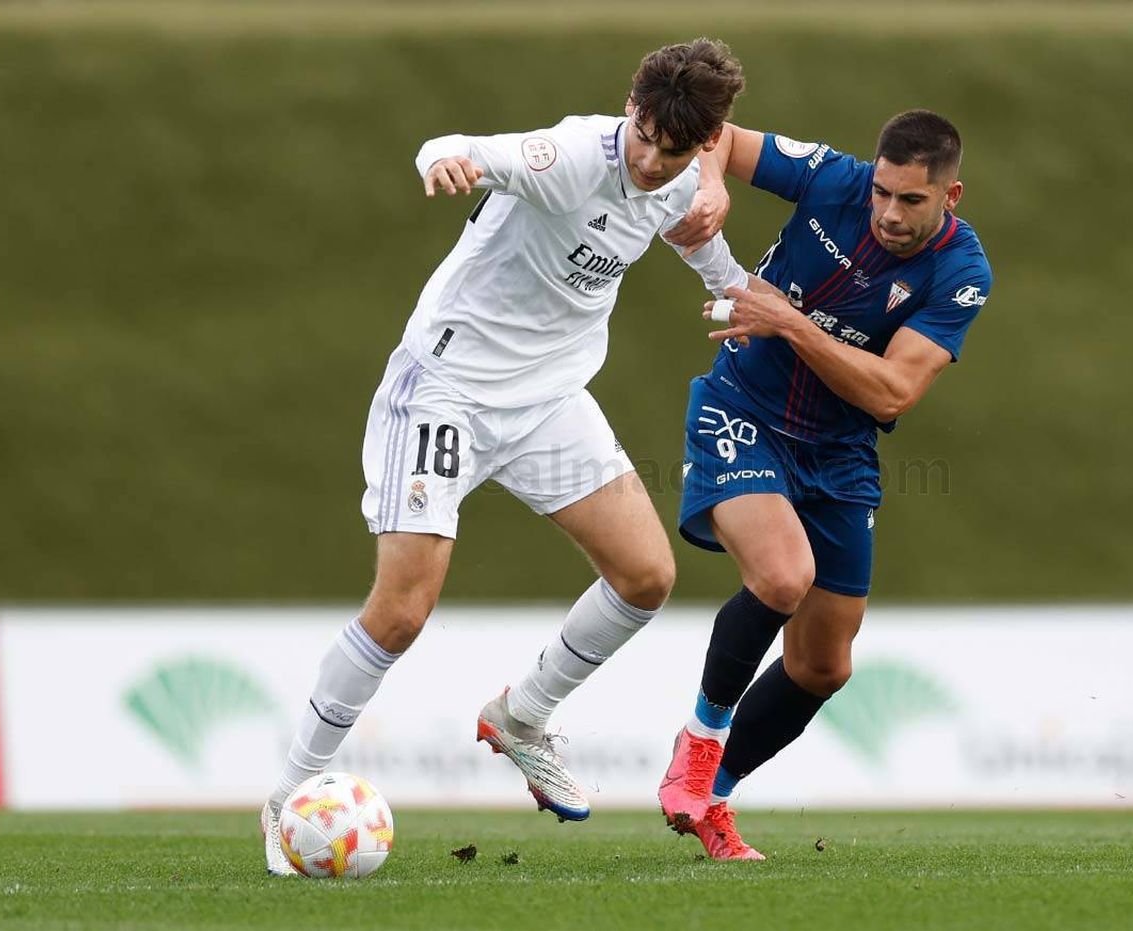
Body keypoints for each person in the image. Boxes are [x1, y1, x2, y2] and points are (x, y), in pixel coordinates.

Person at [260, 38, 751, 876]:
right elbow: (460, 148)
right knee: (402, 611)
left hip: (548, 401)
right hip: (447, 388)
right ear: (630, 109)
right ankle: (290, 797)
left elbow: (716, 269)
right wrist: (445, 161)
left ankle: (523, 716)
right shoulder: (569, 156)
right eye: (643, 137)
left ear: (704, 143)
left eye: (674, 151)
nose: (648, 160)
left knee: (646, 576)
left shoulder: (678, 183)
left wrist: (752, 303)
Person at [657, 110, 993, 859]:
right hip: (742, 408)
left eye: (911, 200)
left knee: (823, 664)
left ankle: (712, 795)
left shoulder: (961, 272)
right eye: (882, 193)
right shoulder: (831, 177)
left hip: (841, 451)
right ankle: (698, 746)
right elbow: (714, 132)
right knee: (782, 576)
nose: (887, 213)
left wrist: (790, 321)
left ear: (952, 195)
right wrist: (711, 188)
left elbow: (892, 394)